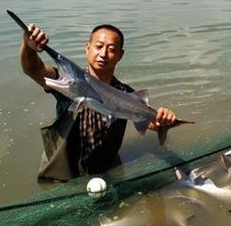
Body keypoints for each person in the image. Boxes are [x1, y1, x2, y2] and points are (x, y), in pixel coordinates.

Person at [20, 23, 177, 181]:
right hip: (60, 174)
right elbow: (32, 69)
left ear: (120, 55)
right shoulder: (68, 83)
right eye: (99, 46)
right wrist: (29, 48)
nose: (103, 54)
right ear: (87, 48)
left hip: (106, 173)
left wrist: (163, 120)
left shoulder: (126, 93)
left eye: (111, 49)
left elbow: (150, 122)